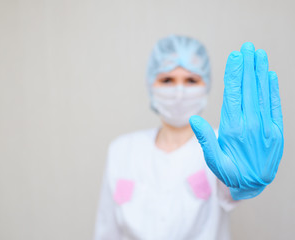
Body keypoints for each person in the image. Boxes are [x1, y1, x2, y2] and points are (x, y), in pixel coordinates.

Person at [94, 35, 284, 240]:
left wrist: (245, 183)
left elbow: (230, 190)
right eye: (167, 80)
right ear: (151, 84)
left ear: (206, 86)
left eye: (191, 80)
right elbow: (106, 230)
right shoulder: (122, 150)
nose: (179, 92)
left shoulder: (224, 145)